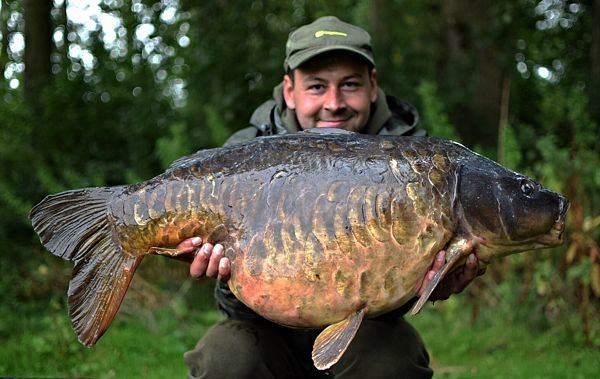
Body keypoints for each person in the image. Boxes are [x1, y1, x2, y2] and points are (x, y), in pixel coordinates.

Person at [178, 16, 482, 378]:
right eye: (317, 87)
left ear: (373, 86)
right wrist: (224, 277)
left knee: (390, 362)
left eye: (349, 84)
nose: (334, 103)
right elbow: (235, 308)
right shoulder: (243, 158)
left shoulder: (418, 165)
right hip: (264, 330)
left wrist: (433, 285)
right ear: (290, 91)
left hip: (367, 332)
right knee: (224, 358)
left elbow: (396, 284)